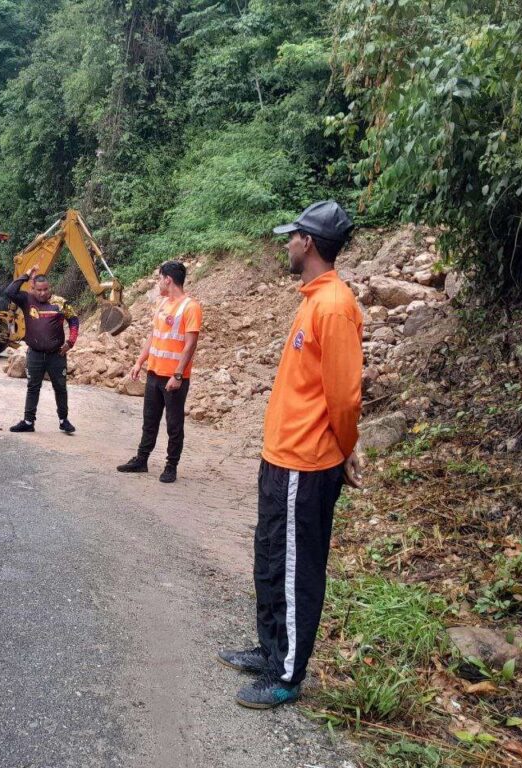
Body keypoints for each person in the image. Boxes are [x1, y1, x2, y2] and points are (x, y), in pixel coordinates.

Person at [218, 200, 363, 710]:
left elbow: (344, 398)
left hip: (308, 463)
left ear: (310, 243)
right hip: (281, 458)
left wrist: (346, 448)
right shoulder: (313, 299)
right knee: (271, 559)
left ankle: (288, 674)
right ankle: (269, 649)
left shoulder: (335, 306)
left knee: (298, 572)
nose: (287, 244)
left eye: (293, 236)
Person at [116, 261, 202, 483]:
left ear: (168, 280)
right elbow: (153, 336)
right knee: (149, 420)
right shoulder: (162, 303)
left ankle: (171, 466)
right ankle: (141, 459)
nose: (158, 283)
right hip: (154, 373)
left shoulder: (190, 307)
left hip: (174, 378)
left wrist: (178, 374)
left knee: (174, 424)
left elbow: (190, 345)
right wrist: (139, 362)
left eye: (159, 278)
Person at [5, 266, 80, 434]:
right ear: (33, 288)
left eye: (45, 289)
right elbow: (9, 292)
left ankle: (63, 420)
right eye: (39, 290)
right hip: (35, 354)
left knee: (60, 387)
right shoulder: (27, 300)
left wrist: (70, 342)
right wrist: (26, 274)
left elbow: (74, 320)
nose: (42, 293)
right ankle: (28, 421)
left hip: (56, 355)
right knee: (33, 387)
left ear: (49, 287)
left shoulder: (60, 303)